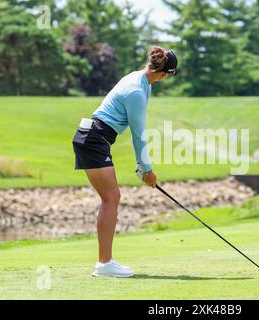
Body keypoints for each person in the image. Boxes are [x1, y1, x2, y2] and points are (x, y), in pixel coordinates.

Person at [71, 46, 178, 278]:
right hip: (93, 139)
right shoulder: (137, 92)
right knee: (111, 198)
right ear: (164, 73)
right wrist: (147, 170)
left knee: (111, 197)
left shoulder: (139, 79)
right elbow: (138, 137)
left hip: (90, 135)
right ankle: (104, 264)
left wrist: (143, 168)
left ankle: (105, 262)